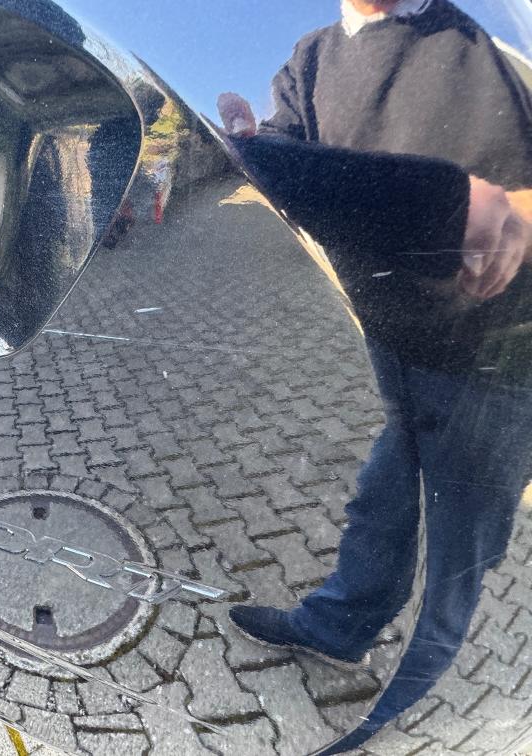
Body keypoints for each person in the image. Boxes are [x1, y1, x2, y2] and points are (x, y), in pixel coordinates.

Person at [217, 1, 532, 752]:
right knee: (385, 494)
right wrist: (247, 141)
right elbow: (280, 166)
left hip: (498, 350)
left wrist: (517, 209)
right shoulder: (311, 57)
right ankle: (340, 627)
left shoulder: (494, 27)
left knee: (464, 537)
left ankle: (428, 700)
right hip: (392, 332)